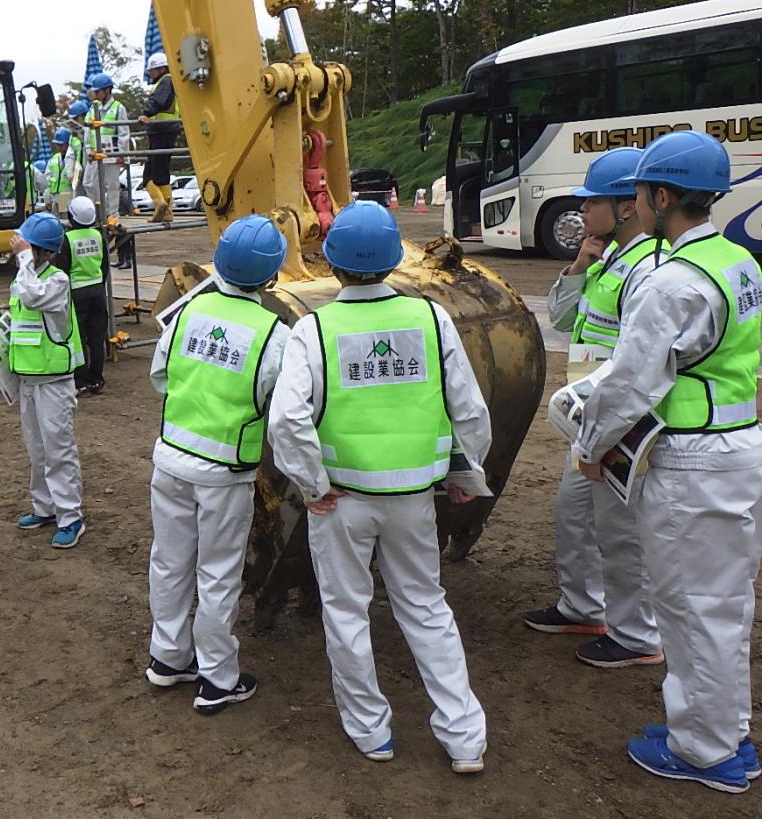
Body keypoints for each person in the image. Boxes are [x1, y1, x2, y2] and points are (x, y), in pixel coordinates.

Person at [267, 201, 490, 773]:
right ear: (395, 261)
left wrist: (312, 484)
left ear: (332, 263)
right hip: (414, 499)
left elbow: (288, 420)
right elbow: (469, 409)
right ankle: (464, 736)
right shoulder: (431, 319)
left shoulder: (314, 329)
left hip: (341, 501)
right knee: (425, 607)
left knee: (347, 611)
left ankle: (371, 731)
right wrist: (467, 474)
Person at [571, 130, 762, 793]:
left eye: (639, 193)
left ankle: (706, 752)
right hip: (736, 444)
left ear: (659, 195)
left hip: (691, 461)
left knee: (688, 608)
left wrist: (589, 445)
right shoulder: (737, 260)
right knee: (722, 607)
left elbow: (628, 382)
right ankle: (721, 731)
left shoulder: (672, 281)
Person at [522, 147, 663, 668]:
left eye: (591, 202)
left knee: (622, 531)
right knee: (574, 514)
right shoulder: (607, 261)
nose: (582, 211)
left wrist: (606, 433)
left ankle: (637, 636)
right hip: (589, 416)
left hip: (622, 421)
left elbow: (639, 363)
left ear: (627, 206)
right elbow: (561, 320)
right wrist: (579, 265)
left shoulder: (646, 269)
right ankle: (583, 606)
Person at [145, 215, 290, 714]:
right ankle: (217, 678)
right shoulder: (275, 333)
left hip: (171, 461)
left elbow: (160, 378)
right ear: (272, 277)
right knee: (219, 574)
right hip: (226, 472)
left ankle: (168, 658)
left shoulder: (188, 312)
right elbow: (283, 409)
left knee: (169, 560)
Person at [8, 212, 85, 549]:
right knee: (37, 449)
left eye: (30, 247)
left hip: (54, 382)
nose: (22, 250)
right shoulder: (24, 276)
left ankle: (71, 518)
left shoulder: (57, 281)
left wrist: (23, 258)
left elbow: (32, 297)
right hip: (29, 379)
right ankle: (45, 508)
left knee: (59, 450)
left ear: (45, 252)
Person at [56, 196, 110, 396]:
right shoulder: (98, 236)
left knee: (78, 339)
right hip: (97, 291)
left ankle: (81, 381)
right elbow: (104, 267)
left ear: (71, 217)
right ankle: (97, 379)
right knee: (97, 339)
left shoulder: (67, 239)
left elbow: (62, 270)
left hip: (76, 293)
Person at [139, 53, 181, 224]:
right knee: (161, 173)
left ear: (161, 68)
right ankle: (167, 212)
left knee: (150, 175)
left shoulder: (165, 81)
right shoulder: (168, 81)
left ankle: (160, 203)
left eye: (153, 70)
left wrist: (145, 113)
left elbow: (158, 101)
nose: (150, 73)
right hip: (166, 130)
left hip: (161, 131)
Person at [84, 73, 127, 219]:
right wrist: (89, 152)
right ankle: (100, 214)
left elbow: (123, 133)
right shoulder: (92, 109)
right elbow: (87, 134)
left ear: (107, 90)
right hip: (97, 154)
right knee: (92, 185)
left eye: (97, 91)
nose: (95, 94)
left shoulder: (118, 108)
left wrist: (122, 155)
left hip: (112, 154)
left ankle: (113, 216)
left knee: (112, 186)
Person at [44, 121, 82, 216]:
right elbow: (48, 181)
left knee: (65, 223)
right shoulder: (54, 159)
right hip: (54, 197)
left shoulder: (73, 159)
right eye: (57, 145)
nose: (59, 147)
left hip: (66, 196)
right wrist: (47, 199)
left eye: (61, 145)